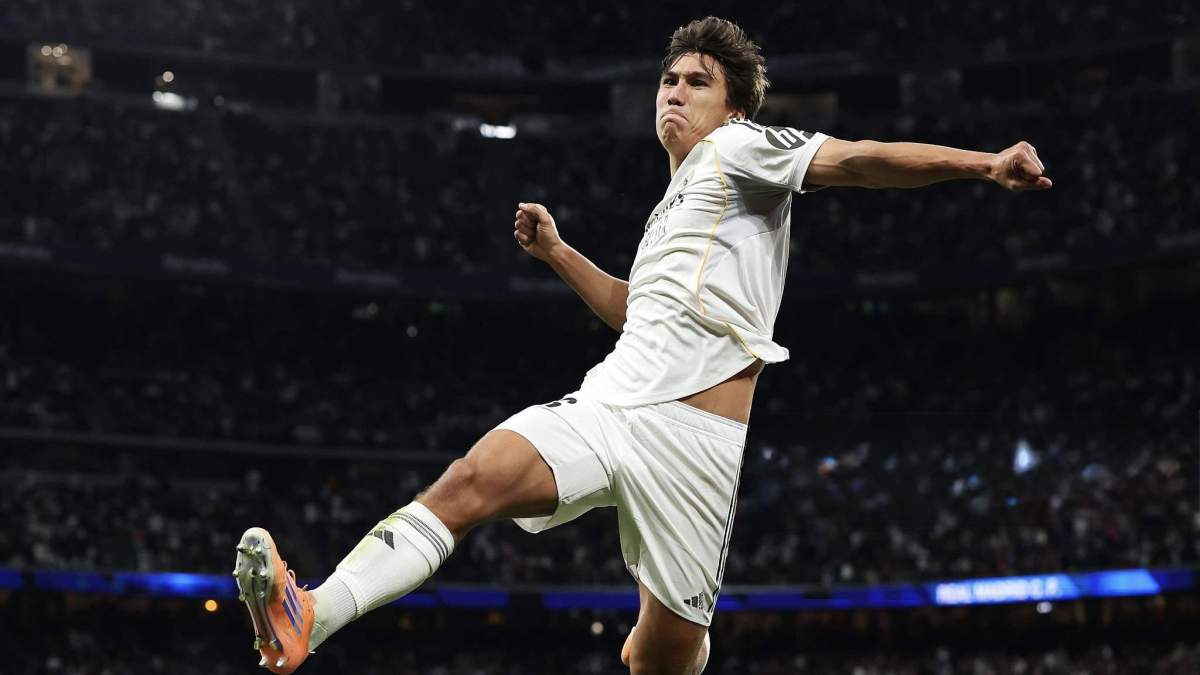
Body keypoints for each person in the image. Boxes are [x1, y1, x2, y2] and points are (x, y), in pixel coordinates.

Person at [233, 16, 1051, 675]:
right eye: (670, 78)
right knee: (472, 478)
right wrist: (558, 253)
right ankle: (313, 613)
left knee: (660, 657)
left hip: (695, 443)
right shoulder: (672, 206)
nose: (677, 90)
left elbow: (859, 161)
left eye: (698, 81)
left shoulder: (741, 150)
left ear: (733, 108)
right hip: (612, 404)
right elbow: (635, 309)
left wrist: (983, 164)